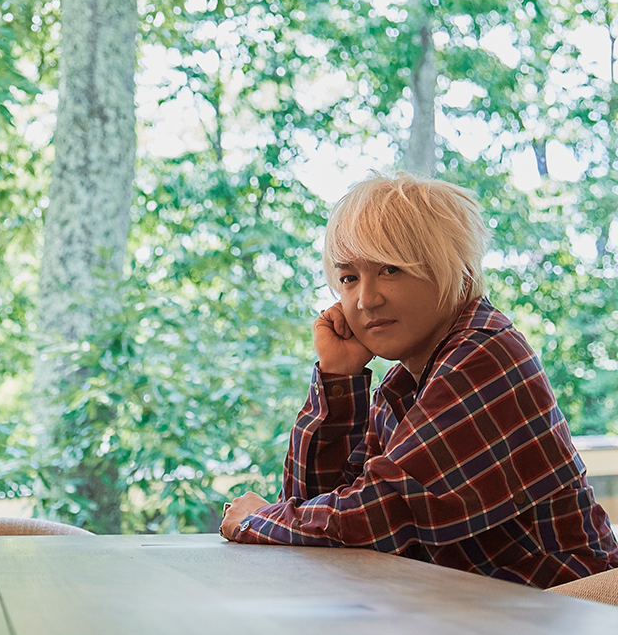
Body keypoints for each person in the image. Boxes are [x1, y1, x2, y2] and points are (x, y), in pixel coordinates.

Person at [219, 173, 618, 588]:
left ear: (456, 269)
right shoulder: (403, 384)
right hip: (478, 613)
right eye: (349, 278)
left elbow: (377, 516)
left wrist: (254, 521)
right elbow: (313, 505)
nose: (365, 300)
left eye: (390, 269)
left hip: (572, 612)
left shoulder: (484, 354)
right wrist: (339, 376)